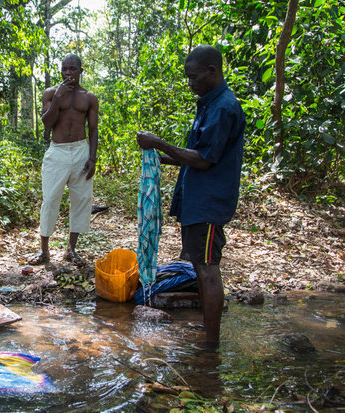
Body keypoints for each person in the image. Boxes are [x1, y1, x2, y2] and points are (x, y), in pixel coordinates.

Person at [136, 45, 246, 349]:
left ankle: (211, 345)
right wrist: (158, 155)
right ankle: (208, 332)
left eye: (194, 77)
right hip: (197, 199)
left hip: (208, 203)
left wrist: (161, 143)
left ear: (212, 71)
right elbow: (196, 155)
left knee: (207, 270)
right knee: (199, 265)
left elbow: (205, 159)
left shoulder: (224, 107)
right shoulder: (209, 104)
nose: (190, 83)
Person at [28, 53, 99, 267]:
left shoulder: (89, 97)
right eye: (65, 69)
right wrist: (57, 99)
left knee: (81, 200)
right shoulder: (50, 93)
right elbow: (47, 124)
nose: (68, 73)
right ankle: (44, 251)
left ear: (80, 71)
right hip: (57, 151)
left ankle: (71, 249)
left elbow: (93, 129)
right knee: (50, 199)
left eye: (73, 69)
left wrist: (92, 158)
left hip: (80, 150)